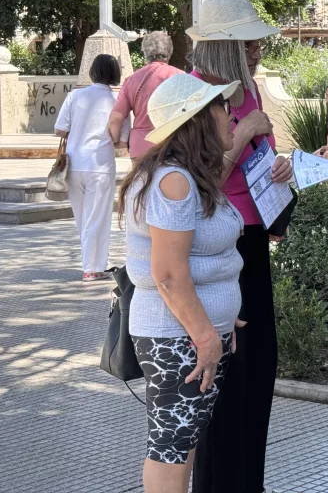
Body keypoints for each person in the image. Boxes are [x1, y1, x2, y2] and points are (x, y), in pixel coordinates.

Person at [187, 0, 293, 493]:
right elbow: (194, 186)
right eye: (249, 44)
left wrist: (279, 167)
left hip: (252, 239)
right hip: (214, 248)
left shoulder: (247, 92)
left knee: (258, 367)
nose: (258, 51)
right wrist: (243, 131)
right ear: (226, 46)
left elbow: (260, 159)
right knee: (225, 377)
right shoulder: (192, 96)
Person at [120, 71, 244, 493]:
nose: (231, 115)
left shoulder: (185, 176)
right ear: (198, 119)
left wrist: (221, 315)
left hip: (189, 333)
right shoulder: (173, 181)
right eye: (222, 106)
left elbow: (202, 260)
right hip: (177, 337)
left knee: (181, 441)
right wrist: (205, 334)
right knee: (171, 446)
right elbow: (169, 274)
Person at [54, 54, 127, 281]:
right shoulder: (117, 101)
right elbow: (120, 141)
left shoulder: (75, 95)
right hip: (100, 164)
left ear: (92, 71)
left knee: (83, 217)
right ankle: (92, 268)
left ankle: (91, 264)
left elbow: (59, 129)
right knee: (98, 217)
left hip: (74, 164)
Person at [109, 31, 181, 159]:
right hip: (172, 145)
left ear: (145, 52)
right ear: (170, 51)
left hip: (140, 147)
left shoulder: (131, 80)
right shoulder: (181, 77)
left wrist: (116, 141)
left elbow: (116, 118)